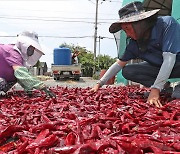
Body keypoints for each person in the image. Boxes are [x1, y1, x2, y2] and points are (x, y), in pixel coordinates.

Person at [91, 1, 180, 108]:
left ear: (140, 23)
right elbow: (119, 64)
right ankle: (165, 87)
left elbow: (169, 60)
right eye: (124, 31)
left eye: (128, 28)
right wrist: (99, 83)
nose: (128, 34)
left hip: (177, 64)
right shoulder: (134, 43)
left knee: (177, 96)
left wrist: (155, 89)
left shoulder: (167, 24)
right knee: (129, 70)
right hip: (160, 67)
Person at [0, 31, 55, 98]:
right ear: (24, 44)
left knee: (13, 78)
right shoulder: (12, 51)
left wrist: (28, 89)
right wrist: (42, 86)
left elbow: (21, 78)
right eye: (31, 47)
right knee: (2, 82)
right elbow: (21, 73)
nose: (32, 49)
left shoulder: (17, 55)